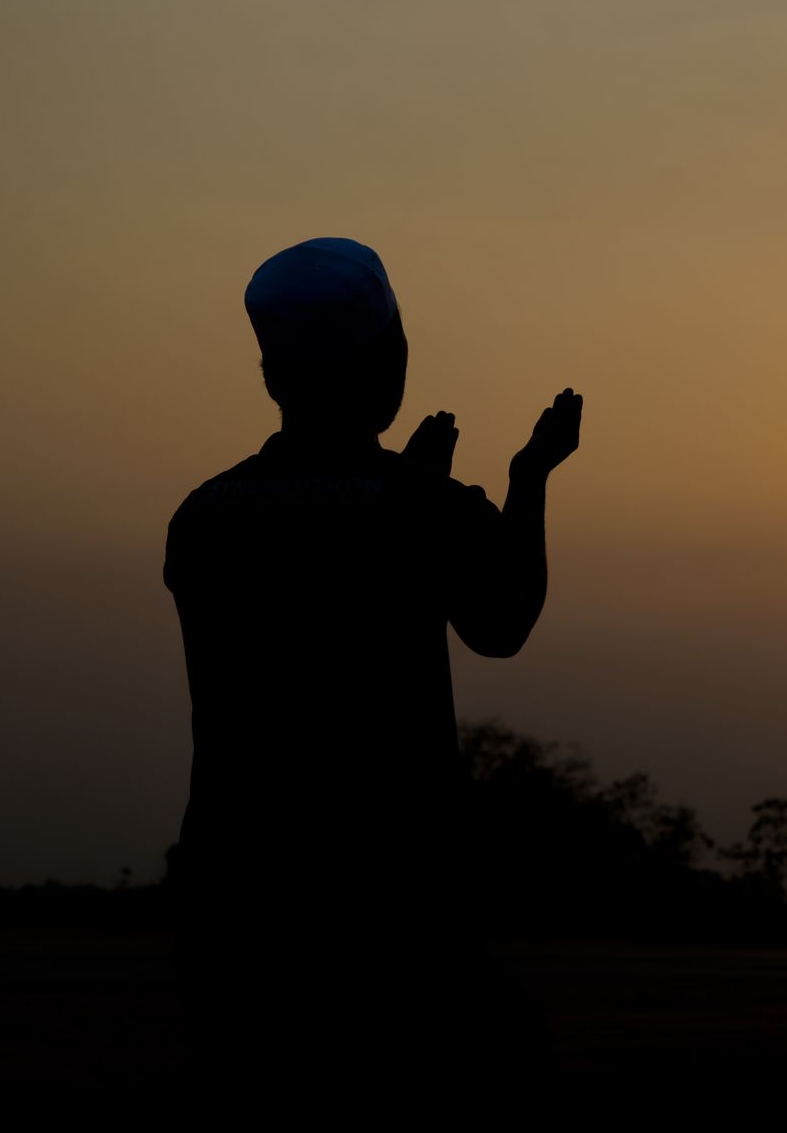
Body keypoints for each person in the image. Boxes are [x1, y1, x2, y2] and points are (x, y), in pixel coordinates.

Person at [162, 237, 580, 1101]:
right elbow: (503, 622)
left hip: (238, 895)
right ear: (387, 365)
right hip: (393, 905)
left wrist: (414, 499)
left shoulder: (205, 518)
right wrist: (527, 477)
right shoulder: (423, 509)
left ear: (274, 379)